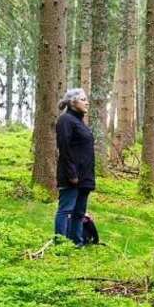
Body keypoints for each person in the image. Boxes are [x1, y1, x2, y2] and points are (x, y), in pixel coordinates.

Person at [54, 88, 95, 246]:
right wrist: (72, 174)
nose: (87, 102)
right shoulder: (65, 121)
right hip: (71, 176)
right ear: (73, 102)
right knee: (65, 210)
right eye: (83, 99)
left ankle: (77, 243)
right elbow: (64, 149)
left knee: (79, 212)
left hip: (85, 177)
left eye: (86, 99)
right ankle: (60, 244)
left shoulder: (80, 123)